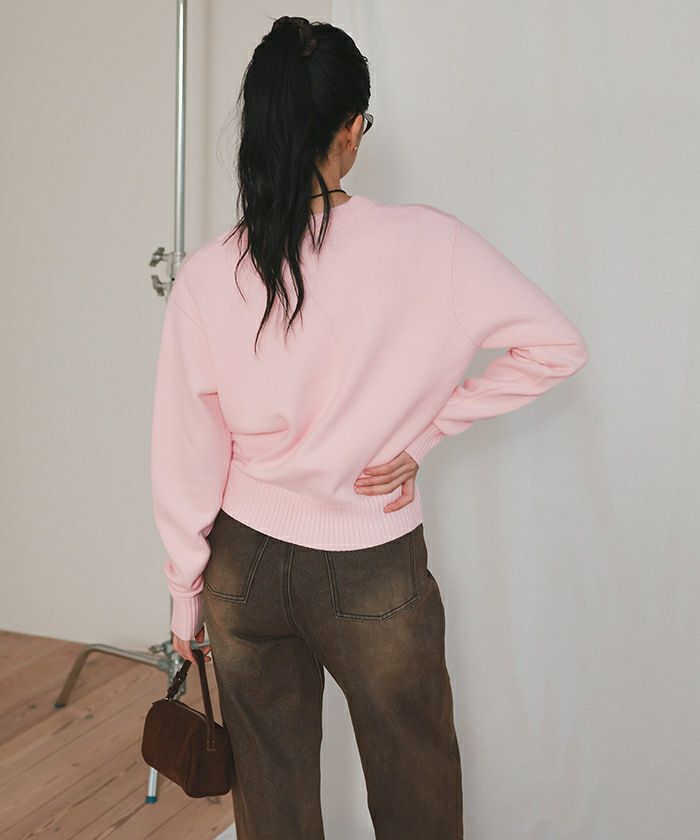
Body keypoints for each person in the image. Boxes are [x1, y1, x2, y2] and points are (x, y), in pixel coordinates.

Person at [149, 14, 589, 840]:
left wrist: (184, 594)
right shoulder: (432, 244)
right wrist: (424, 433)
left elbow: (186, 451)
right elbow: (557, 346)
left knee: (271, 800)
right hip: (371, 563)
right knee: (416, 787)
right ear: (351, 129)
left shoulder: (207, 276)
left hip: (242, 568)